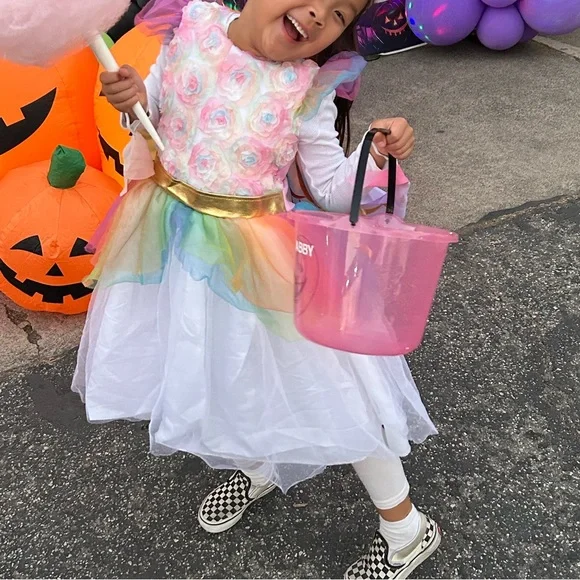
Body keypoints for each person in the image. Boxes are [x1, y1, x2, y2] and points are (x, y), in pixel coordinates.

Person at [73, 0, 441, 577]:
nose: (319, 15)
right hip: (174, 237)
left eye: (340, 14)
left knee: (332, 383)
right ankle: (260, 463)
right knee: (221, 368)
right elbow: (154, 112)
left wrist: (372, 154)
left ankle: (405, 526)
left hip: (263, 257)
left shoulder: (308, 88)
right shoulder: (191, 25)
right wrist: (135, 102)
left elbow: (329, 187)